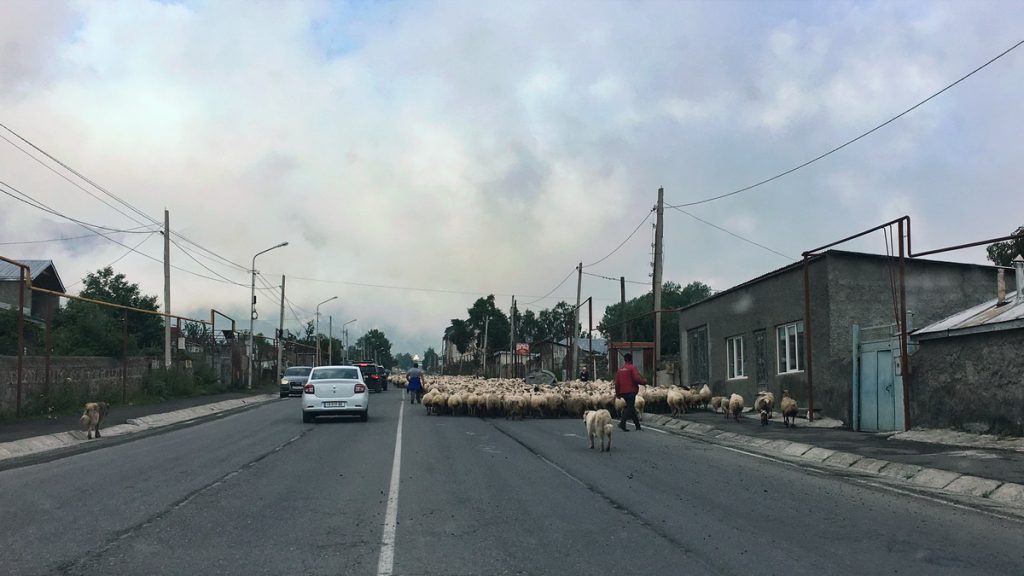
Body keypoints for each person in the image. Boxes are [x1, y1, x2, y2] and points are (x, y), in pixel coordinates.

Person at [614, 353, 646, 431]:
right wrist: (644, 382)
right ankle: (622, 423)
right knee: (630, 407)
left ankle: (637, 426)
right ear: (631, 360)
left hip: (623, 392)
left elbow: (616, 383)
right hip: (631, 391)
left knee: (631, 408)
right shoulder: (632, 368)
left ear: (625, 360)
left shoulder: (620, 370)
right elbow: (636, 379)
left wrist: (617, 393)